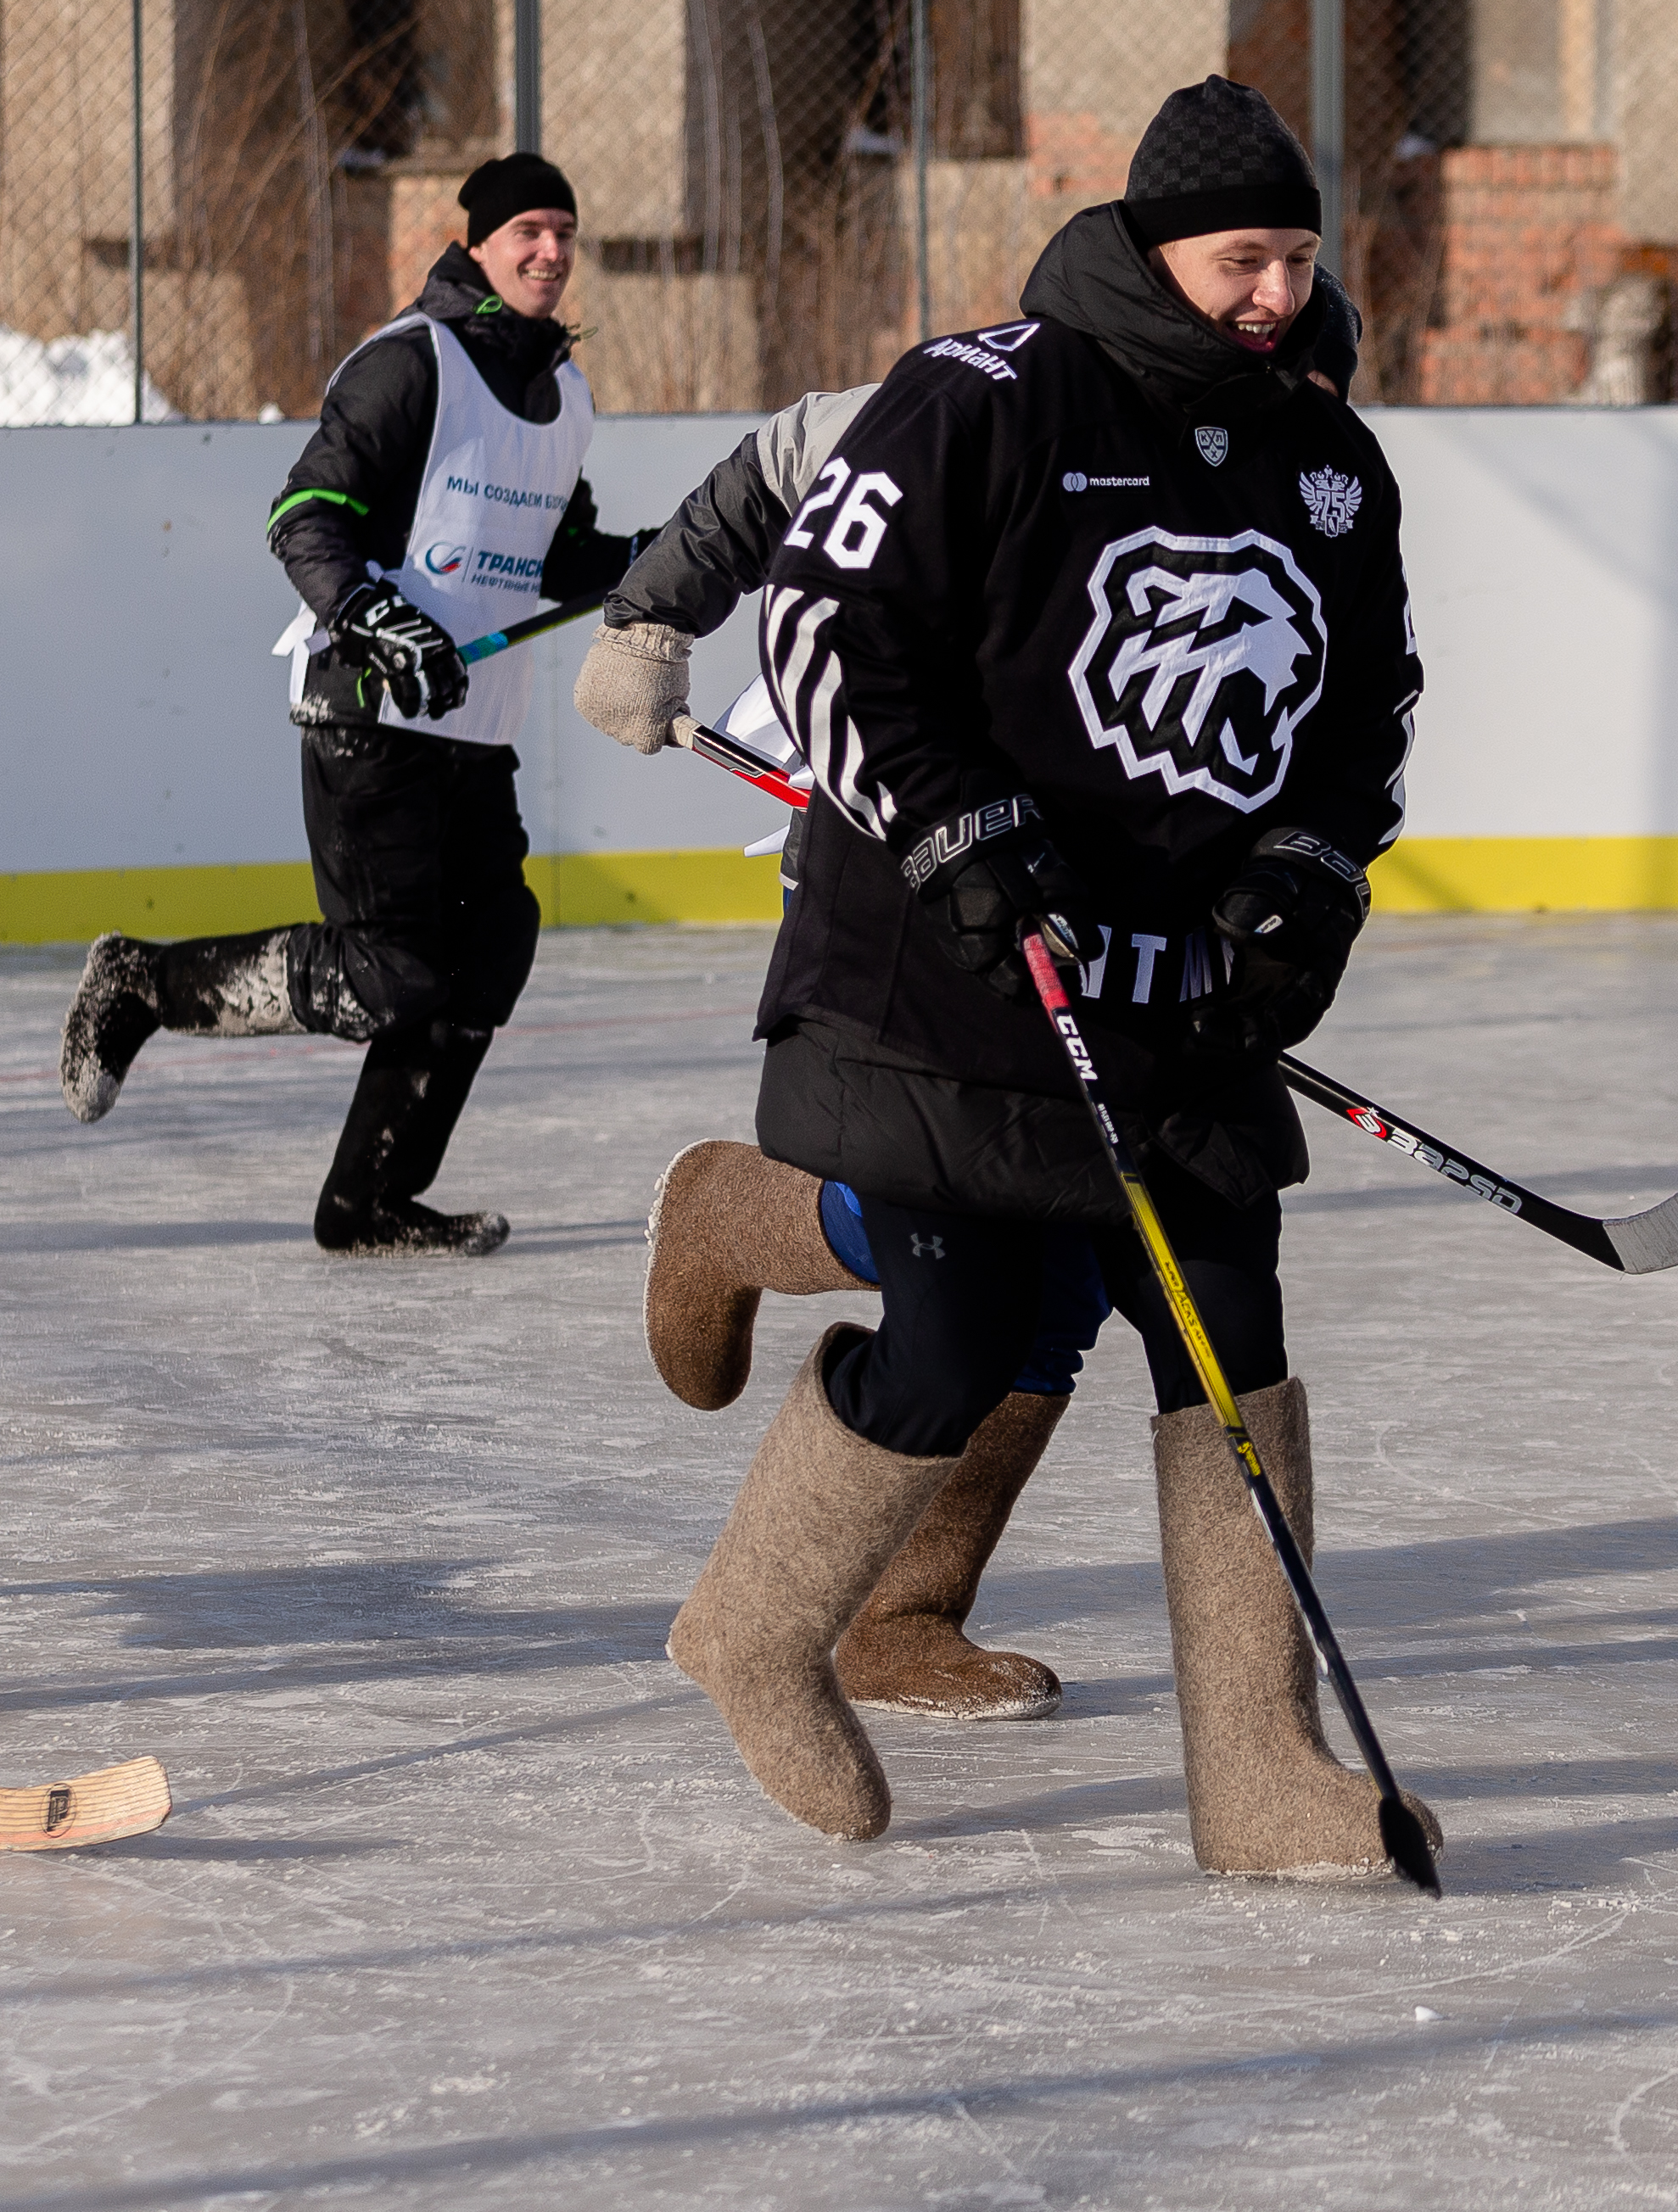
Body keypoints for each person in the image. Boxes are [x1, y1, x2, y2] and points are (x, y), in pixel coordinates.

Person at [657, 78, 1435, 1877]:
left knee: (1228, 1336)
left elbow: (1366, 709)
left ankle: (1260, 1772)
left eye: (1297, 259)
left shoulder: (1329, 457)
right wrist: (954, 831)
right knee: (961, 1334)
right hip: (937, 972)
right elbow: (827, 625)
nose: (1275, 293)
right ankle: (757, 1629)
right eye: (1246, 258)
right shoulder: (983, 395)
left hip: (1174, 1002)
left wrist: (1308, 879)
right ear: (1158, 248)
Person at [566, 278, 1366, 1731]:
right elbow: (774, 469)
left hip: (1093, 902)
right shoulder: (988, 409)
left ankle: (904, 1610)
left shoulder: (1271, 481)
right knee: (1006, 1240)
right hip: (909, 846)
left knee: (1049, 1259)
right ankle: (745, 1224)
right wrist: (649, 617)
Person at [56, 153, 642, 1256]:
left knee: (488, 952)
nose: (550, 251)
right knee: (391, 973)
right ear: (477, 244)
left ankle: (367, 1202)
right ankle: (142, 980)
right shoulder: (410, 364)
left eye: (564, 230)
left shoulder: (565, 396)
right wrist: (377, 619)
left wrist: (662, 559)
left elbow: (559, 554)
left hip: (474, 729)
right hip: (368, 712)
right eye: (527, 230)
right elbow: (306, 516)